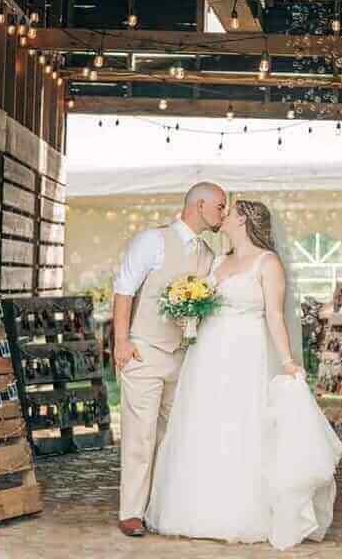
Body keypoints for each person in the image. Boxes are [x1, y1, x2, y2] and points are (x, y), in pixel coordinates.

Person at [146, 200, 342, 549]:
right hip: (207, 353)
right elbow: (206, 304)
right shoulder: (219, 261)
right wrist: (187, 313)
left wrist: (287, 361)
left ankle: (245, 513)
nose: (223, 216)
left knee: (242, 425)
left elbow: (274, 316)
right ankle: (196, 509)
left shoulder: (268, 263)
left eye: (230, 211)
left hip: (246, 353)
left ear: (243, 220)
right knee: (203, 424)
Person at [112, 181, 227, 537]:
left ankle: (158, 507)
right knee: (140, 436)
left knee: (171, 436)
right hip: (144, 351)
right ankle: (131, 512)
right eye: (221, 206)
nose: (224, 212)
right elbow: (124, 290)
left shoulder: (209, 254)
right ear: (201, 205)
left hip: (183, 358)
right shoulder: (152, 240)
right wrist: (121, 342)